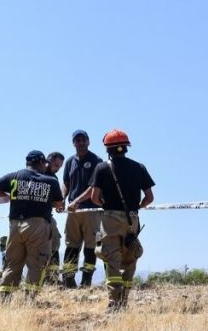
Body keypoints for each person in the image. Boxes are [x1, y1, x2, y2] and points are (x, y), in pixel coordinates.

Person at [88, 129, 155, 310]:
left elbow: (94, 197)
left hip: (110, 219)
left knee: (112, 258)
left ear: (107, 149)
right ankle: (124, 301)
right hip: (132, 219)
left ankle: (114, 302)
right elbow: (149, 197)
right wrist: (136, 207)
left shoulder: (102, 168)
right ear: (126, 147)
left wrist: (106, 204)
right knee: (130, 258)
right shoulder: (139, 167)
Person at [0, 150, 64, 302]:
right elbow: (58, 204)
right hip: (38, 226)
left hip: (15, 226)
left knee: (12, 263)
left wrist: (9, 197)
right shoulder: (50, 181)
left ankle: (5, 298)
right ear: (40, 162)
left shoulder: (15, 176)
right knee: (37, 263)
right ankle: (30, 300)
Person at [62, 130, 103, 288]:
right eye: (77, 140)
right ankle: (68, 280)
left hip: (92, 210)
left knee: (91, 246)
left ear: (88, 141)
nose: (80, 143)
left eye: (83, 140)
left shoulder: (96, 161)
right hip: (73, 211)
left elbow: (94, 187)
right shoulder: (70, 161)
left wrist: (77, 201)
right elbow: (66, 183)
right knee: (71, 245)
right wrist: (62, 199)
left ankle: (86, 281)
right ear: (73, 143)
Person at [42, 151, 66, 286]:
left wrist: (59, 204)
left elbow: (57, 201)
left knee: (55, 244)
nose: (57, 169)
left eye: (59, 167)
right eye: (56, 165)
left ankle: (52, 278)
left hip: (47, 217)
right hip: (37, 219)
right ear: (48, 161)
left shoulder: (53, 178)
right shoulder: (37, 174)